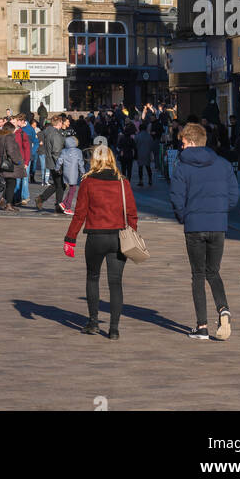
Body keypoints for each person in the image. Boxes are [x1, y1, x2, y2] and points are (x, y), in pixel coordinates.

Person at [170, 121, 239, 341]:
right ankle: (223, 308)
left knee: (198, 275)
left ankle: (202, 326)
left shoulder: (182, 166)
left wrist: (183, 216)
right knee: (213, 271)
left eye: (182, 142)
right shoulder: (223, 164)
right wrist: (220, 211)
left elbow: (176, 197)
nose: (180, 147)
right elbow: (234, 197)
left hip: (194, 226)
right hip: (217, 226)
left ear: (190, 142)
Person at [64, 141, 139, 338]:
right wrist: (132, 233)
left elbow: (79, 214)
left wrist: (70, 238)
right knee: (115, 283)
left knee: (93, 278)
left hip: (96, 236)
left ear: (94, 161)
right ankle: (114, 329)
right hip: (118, 237)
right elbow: (132, 213)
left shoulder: (88, 182)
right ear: (112, 160)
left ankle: (93, 322)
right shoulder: (123, 182)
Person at [35, 116, 67, 214]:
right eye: (61, 123)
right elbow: (56, 151)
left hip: (50, 161)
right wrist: (60, 165)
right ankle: (58, 205)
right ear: (59, 123)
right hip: (56, 162)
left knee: (58, 184)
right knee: (60, 185)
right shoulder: (55, 134)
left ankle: (42, 198)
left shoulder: (48, 131)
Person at [57, 134, 85, 214]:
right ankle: (67, 207)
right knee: (73, 189)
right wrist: (83, 172)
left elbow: (60, 160)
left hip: (66, 172)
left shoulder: (64, 151)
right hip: (73, 172)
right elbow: (80, 163)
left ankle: (64, 203)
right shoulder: (78, 151)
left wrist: (57, 168)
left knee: (72, 189)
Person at [135, 122, 157, 187]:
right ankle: (150, 179)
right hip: (147, 153)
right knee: (148, 167)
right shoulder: (149, 136)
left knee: (140, 167)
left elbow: (135, 144)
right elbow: (152, 145)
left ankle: (141, 180)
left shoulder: (138, 136)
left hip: (140, 153)